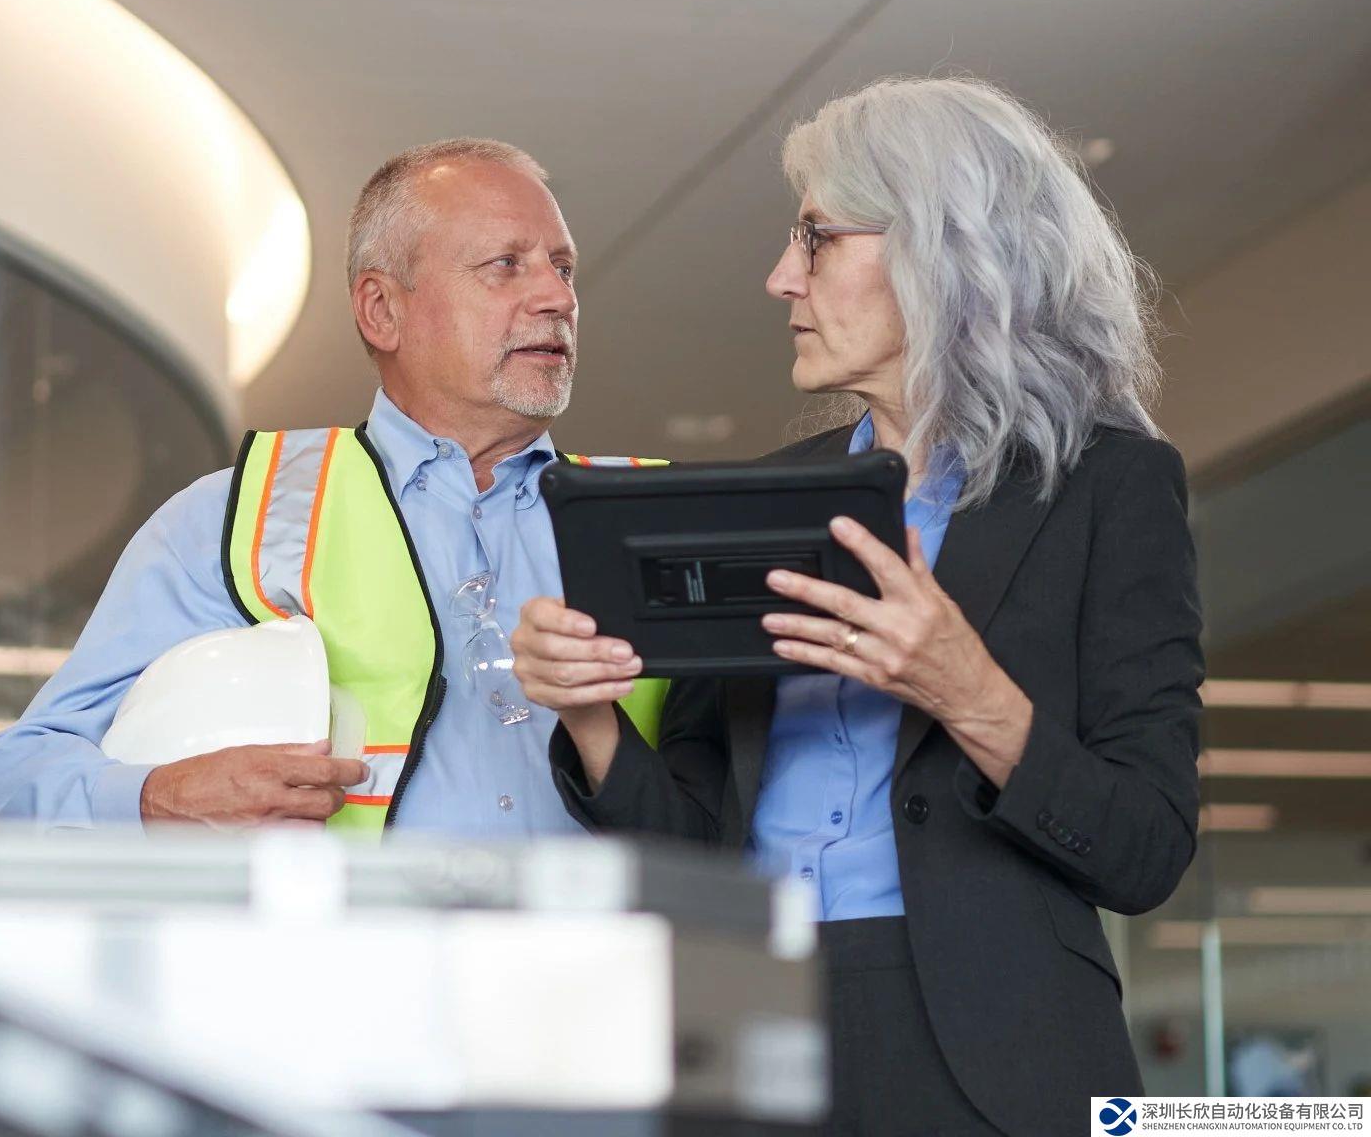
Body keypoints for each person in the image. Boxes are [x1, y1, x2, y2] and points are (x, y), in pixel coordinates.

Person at [511, 77, 1203, 1135]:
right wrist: (591, 719)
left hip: (998, 1054)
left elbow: (1145, 849)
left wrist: (969, 693)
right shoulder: (758, 498)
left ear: (940, 249)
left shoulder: (1110, 486)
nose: (780, 276)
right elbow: (691, 845)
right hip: (747, 1026)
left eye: (817, 238)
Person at [0, 138, 665, 834]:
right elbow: (6, 781)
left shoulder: (658, 521)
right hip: (343, 914)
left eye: (563, 268)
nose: (557, 297)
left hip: (620, 914)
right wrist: (161, 796)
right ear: (381, 310)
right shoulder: (235, 520)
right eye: (505, 265)